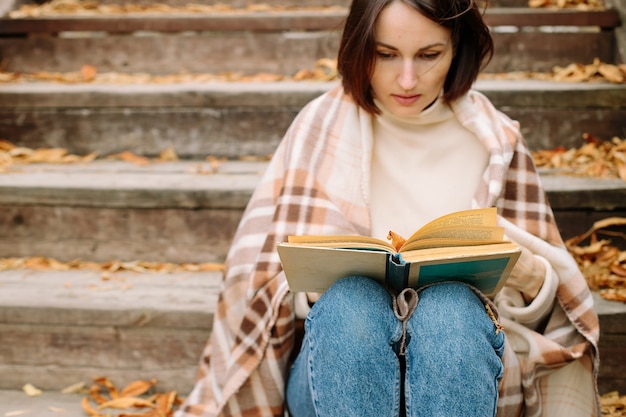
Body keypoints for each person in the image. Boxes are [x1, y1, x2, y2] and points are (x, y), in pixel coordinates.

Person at [175, 0, 600, 416]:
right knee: (351, 305)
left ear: (458, 49)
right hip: (332, 376)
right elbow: (257, 288)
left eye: (429, 55)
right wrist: (310, 287)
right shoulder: (319, 127)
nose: (408, 79)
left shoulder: (495, 142)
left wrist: (528, 276)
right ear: (360, 50)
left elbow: (554, 318)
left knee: (451, 309)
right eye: (386, 55)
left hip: (465, 368)